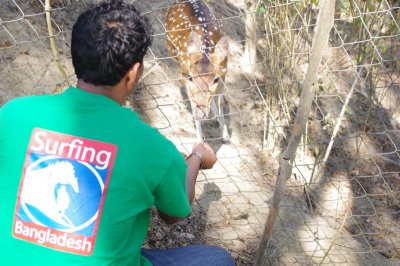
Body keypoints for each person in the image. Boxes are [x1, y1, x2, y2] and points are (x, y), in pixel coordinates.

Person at [0, 1, 234, 265]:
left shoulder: (13, 114)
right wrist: (198, 158)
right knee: (217, 259)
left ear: (75, 54)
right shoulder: (152, 147)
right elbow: (174, 214)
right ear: (134, 72)